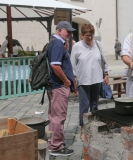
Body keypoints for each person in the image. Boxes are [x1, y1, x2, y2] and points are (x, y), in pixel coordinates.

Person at [70, 24, 109, 141]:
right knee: (84, 106)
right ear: (81, 35)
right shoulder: (77, 46)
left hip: (97, 79)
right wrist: (74, 80)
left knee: (94, 105)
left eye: (92, 35)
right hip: (83, 80)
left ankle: (94, 127)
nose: (90, 38)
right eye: (87, 35)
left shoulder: (98, 44)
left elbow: (103, 60)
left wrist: (106, 74)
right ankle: (83, 129)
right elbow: (73, 65)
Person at [47, 21, 75, 156]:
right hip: (59, 86)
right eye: (67, 31)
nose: (69, 34)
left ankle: (52, 143)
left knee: (54, 116)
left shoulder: (54, 42)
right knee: (59, 117)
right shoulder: (58, 43)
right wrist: (66, 81)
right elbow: (55, 65)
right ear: (59, 31)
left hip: (54, 85)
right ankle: (57, 147)